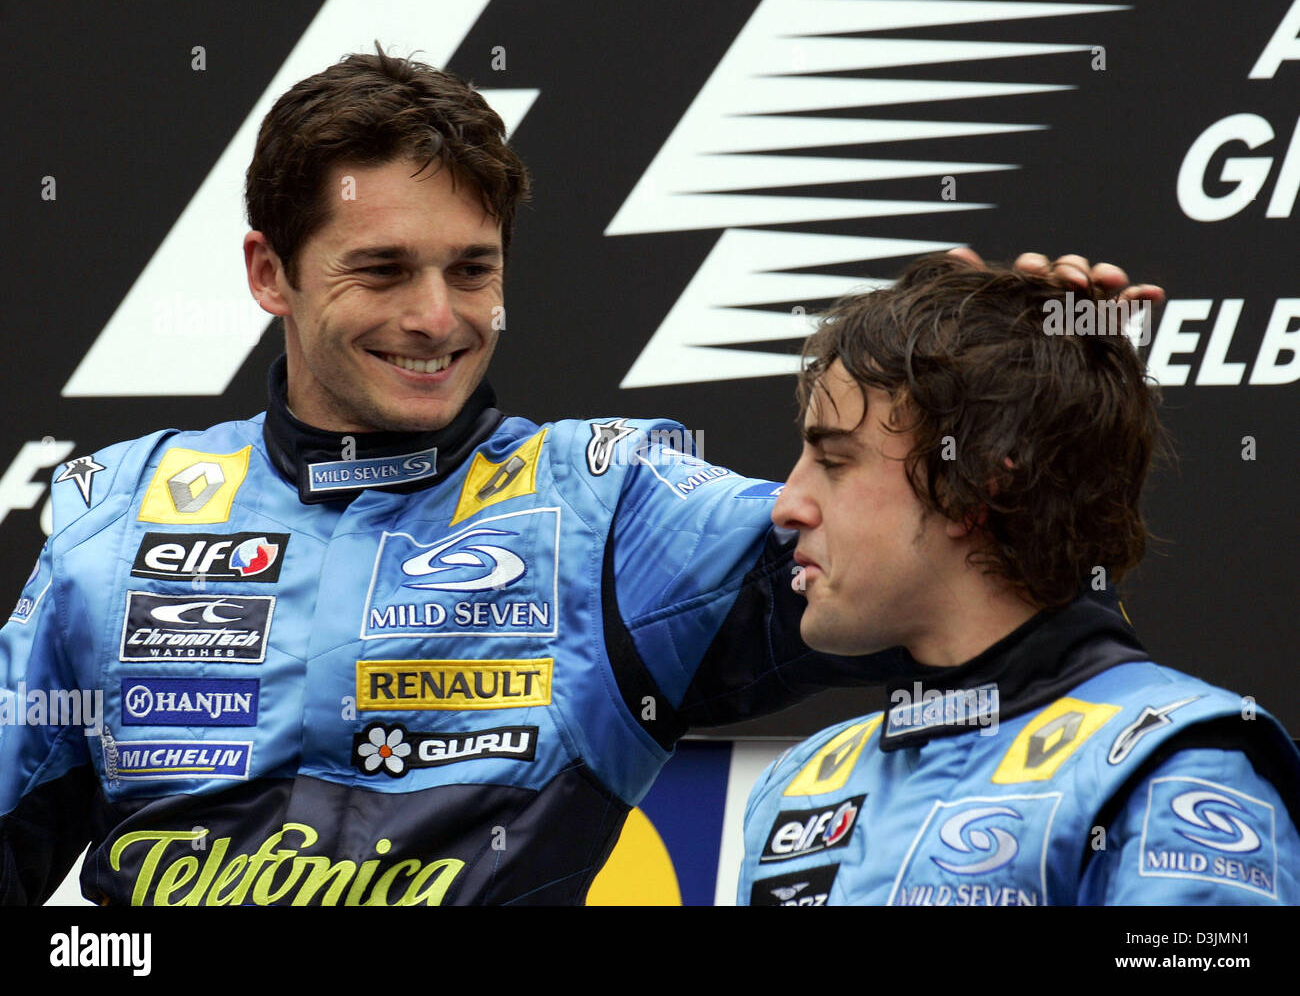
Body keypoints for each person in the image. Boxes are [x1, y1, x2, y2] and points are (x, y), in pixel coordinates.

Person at [0, 47, 1147, 907]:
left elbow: (984, 603)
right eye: (383, 270)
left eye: (472, 269)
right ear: (270, 272)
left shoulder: (613, 509)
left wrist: (1035, 402)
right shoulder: (118, 520)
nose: (436, 318)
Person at [738, 254, 1300, 905]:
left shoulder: (1178, 769)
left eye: (834, 461)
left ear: (971, 482)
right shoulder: (800, 783)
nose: (786, 504)